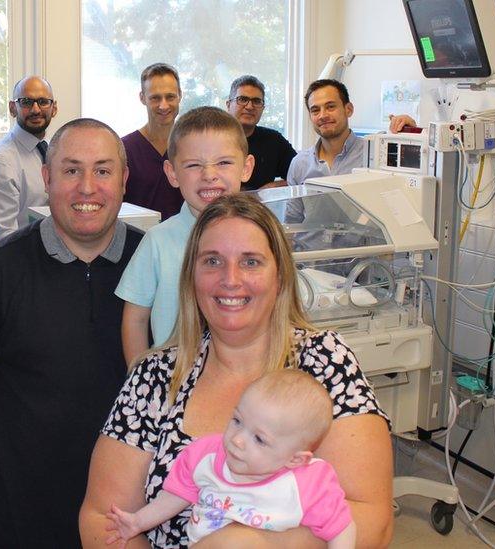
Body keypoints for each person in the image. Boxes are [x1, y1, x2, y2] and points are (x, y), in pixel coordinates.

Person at [80, 193, 393, 548]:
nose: (230, 279)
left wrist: (247, 544)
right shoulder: (154, 376)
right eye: (212, 261)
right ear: (191, 277)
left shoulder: (325, 363)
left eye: (251, 262)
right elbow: (99, 518)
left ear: (280, 276)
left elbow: (371, 518)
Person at [0, 118, 142, 549]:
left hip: (129, 519)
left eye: (103, 170)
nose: (87, 187)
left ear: (124, 180)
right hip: (18, 517)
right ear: (46, 178)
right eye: (71, 170)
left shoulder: (154, 266)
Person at [106, 369, 355, 549]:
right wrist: (137, 522)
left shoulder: (307, 484)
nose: (237, 439)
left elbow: (340, 527)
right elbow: (177, 496)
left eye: (259, 439)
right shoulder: (207, 455)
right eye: (237, 421)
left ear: (295, 460)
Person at [117, 107, 254, 364]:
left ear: (246, 168)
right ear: (172, 173)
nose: (209, 175)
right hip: (173, 386)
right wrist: (140, 386)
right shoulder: (157, 241)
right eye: (193, 165)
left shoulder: (263, 239)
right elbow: (135, 320)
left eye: (223, 162)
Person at [287, 78, 417, 186]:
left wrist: (410, 133)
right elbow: (293, 217)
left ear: (348, 109)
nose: (322, 115)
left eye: (330, 107)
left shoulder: (376, 154)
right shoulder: (299, 164)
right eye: (315, 110)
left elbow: (411, 182)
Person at [0, 75, 59, 242]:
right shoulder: (1, 161)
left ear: (54, 108)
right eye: (26, 102)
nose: (36, 110)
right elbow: (4, 239)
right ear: (12, 108)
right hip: (20, 263)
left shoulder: (56, 152)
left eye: (43, 102)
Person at [122, 63, 185, 221]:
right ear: (142, 98)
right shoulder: (124, 149)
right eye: (155, 98)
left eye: (170, 97)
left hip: (188, 240)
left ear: (180, 95)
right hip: (137, 239)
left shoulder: (193, 146)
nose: (163, 105)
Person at [224, 75, 297, 191]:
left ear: (263, 108)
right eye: (242, 99)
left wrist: (268, 190)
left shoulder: (273, 141)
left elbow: (300, 176)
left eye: (256, 101)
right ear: (228, 105)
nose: (249, 106)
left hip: (259, 207)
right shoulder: (214, 139)